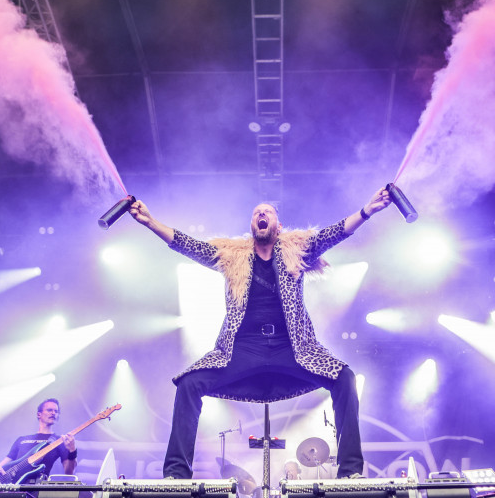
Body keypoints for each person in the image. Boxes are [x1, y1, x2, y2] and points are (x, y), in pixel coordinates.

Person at [129, 188, 391, 480]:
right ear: (252, 226)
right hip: (242, 348)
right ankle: (176, 474)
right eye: (256, 213)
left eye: (267, 212)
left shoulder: (296, 249)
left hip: (291, 348)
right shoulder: (232, 255)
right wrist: (151, 222)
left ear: (278, 225)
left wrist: (367, 210)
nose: (261, 214)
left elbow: (333, 234)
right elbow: (191, 246)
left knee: (345, 378)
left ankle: (350, 471)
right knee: (189, 383)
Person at [0, 398, 77, 482]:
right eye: (49, 410)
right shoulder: (21, 440)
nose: (53, 413)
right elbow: (3, 464)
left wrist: (72, 450)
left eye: (56, 411)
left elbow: (69, 472)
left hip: (37, 487)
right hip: (15, 486)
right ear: (39, 414)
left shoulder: (59, 441)